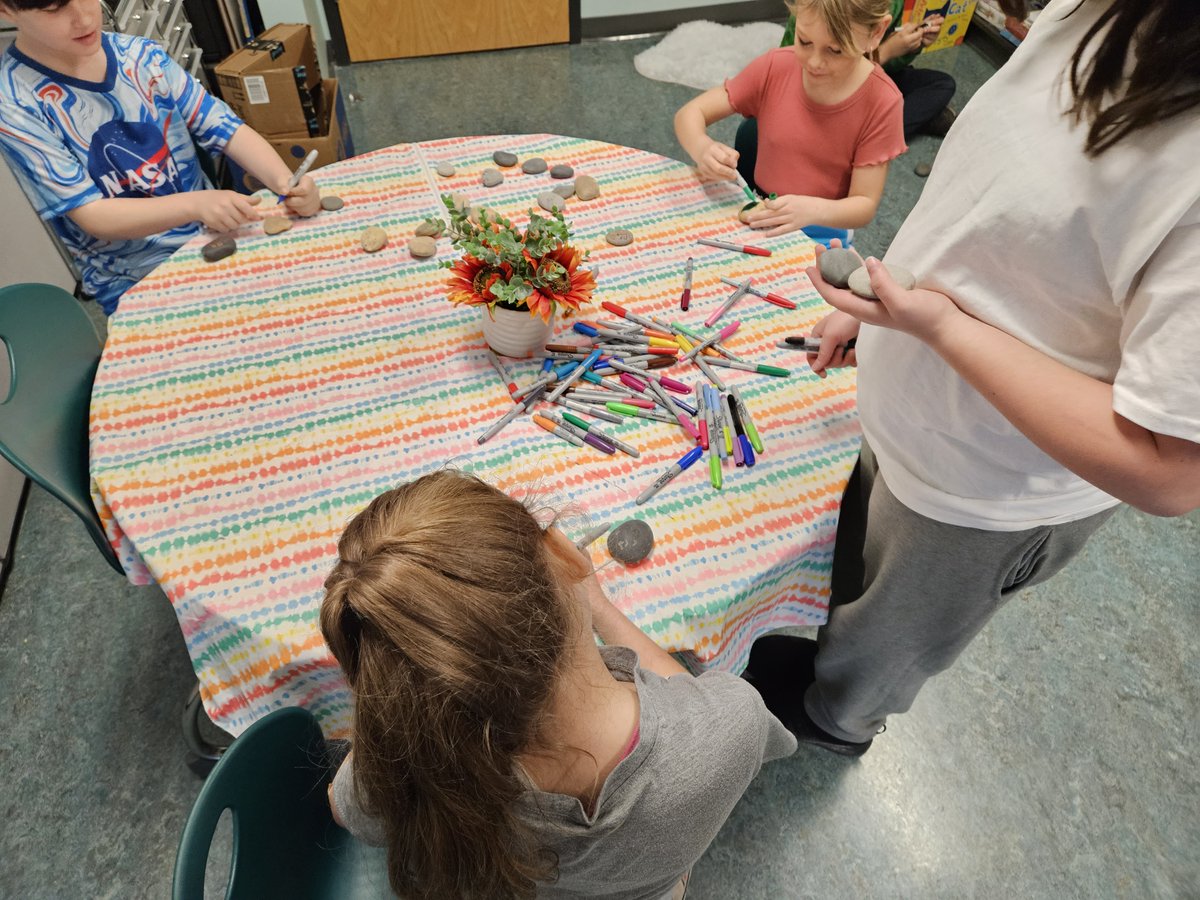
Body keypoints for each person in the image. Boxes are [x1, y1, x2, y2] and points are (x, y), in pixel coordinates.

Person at [745, 0, 1200, 756]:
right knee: (859, 576)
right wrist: (888, 301)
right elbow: (998, 215)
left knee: (886, 645)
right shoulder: (1086, 14)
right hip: (919, 417)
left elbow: (1169, 473)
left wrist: (942, 328)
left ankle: (838, 721)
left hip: (984, 493)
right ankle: (834, 658)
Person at [320, 470, 796, 900]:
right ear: (566, 554)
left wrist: (405, 728)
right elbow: (691, 702)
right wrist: (604, 610)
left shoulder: (414, 774)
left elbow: (343, 809)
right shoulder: (735, 723)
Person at [0, 0, 321, 315]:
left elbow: (224, 128)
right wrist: (196, 204)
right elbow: (92, 215)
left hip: (215, 239)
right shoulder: (14, 103)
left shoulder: (141, 56)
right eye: (53, 8)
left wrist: (284, 180)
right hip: (136, 280)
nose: (83, 18)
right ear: (5, 9)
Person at [673, 0, 905, 240]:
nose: (814, 62)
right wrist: (702, 148)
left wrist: (811, 210)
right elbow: (689, 114)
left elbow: (863, 205)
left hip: (823, 227)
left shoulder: (882, 101)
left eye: (835, 50)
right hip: (762, 212)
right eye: (804, 41)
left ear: (876, 32)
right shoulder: (776, 66)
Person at [782, 0, 957, 140]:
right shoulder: (823, 8)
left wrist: (911, 44)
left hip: (872, 76)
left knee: (943, 83)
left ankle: (871, 132)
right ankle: (866, 137)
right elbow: (796, 75)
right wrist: (887, 51)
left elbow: (888, 68)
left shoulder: (893, 6)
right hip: (829, 87)